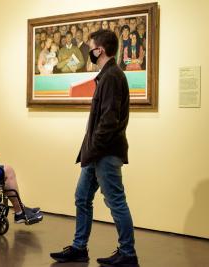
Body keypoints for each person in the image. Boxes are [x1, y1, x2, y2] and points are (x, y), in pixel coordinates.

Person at [50, 29, 139, 267]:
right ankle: (79, 248)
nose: (89, 51)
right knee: (82, 197)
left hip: (105, 153)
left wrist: (94, 150)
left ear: (100, 50)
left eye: (92, 47)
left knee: (116, 201)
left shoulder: (111, 76)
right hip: (96, 152)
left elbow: (108, 121)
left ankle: (128, 254)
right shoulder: (108, 75)